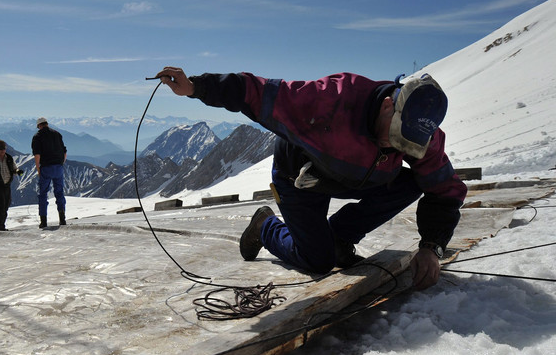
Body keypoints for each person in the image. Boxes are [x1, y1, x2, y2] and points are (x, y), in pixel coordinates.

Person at [155, 66, 467, 290]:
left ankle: (339, 238)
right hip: (300, 178)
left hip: (359, 175)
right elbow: (256, 92)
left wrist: (431, 246)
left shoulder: (421, 135)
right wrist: (195, 87)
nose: (396, 147)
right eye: (395, 136)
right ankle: (265, 226)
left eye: (406, 145)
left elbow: (444, 190)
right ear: (388, 105)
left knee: (414, 181)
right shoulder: (330, 100)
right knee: (317, 261)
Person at [31, 117, 68, 228]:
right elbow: (64, 152)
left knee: (43, 194)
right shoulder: (57, 134)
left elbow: (37, 155)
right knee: (59, 193)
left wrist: (38, 169)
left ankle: (44, 221)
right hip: (58, 167)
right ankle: (62, 219)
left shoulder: (37, 136)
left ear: (39, 126)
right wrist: (61, 163)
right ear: (46, 124)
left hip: (46, 168)